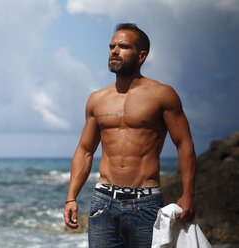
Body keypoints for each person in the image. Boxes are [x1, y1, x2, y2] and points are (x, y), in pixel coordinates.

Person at [63, 23, 196, 248]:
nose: (114, 51)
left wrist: (188, 194)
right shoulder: (97, 99)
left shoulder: (162, 95)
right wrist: (71, 197)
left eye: (123, 46)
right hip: (103, 203)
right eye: (112, 46)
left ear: (142, 55)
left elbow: (183, 144)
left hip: (145, 204)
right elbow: (85, 151)